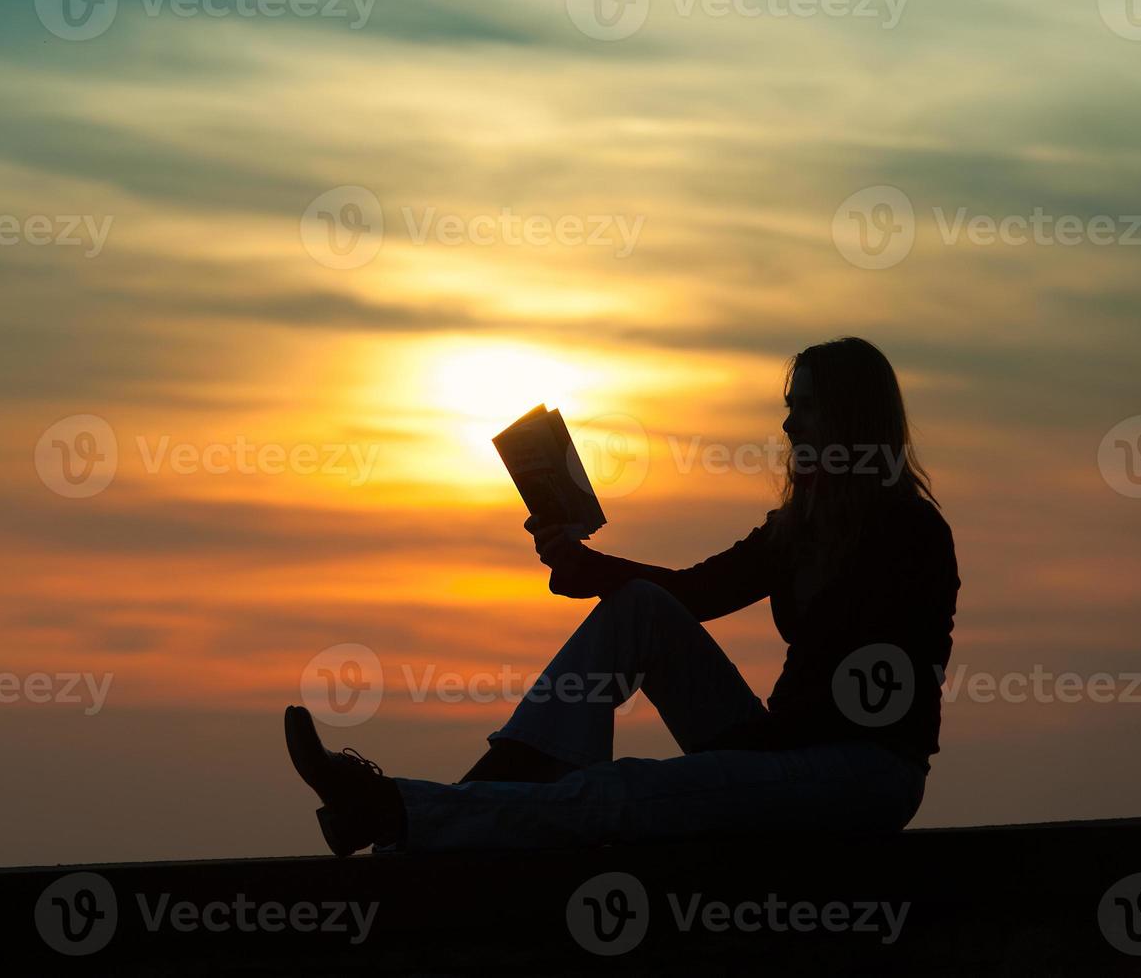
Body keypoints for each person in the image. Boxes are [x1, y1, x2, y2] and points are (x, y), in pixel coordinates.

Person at [285, 337, 960, 856]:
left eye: (804, 408)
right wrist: (590, 571)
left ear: (848, 418)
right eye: (788, 409)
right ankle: (446, 805)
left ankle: (394, 812)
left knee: (628, 791)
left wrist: (747, 755)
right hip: (783, 749)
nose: (787, 428)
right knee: (638, 606)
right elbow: (693, 592)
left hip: (862, 772)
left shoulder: (908, 535)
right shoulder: (798, 530)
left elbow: (874, 699)